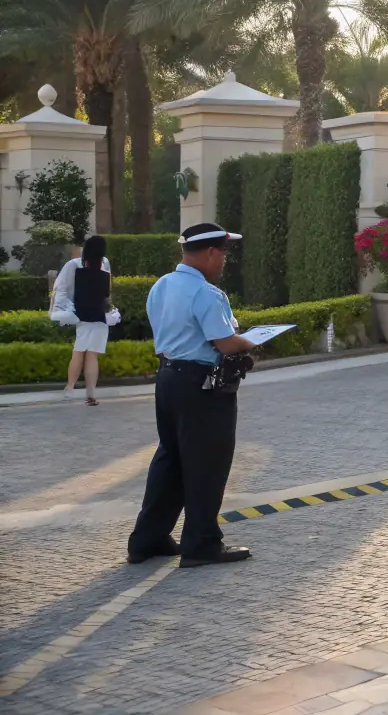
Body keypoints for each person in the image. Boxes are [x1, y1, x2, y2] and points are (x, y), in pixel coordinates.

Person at [127, 223, 258, 568]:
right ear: (212, 253)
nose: (226, 260)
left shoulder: (161, 286)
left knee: (169, 459)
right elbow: (226, 342)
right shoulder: (207, 294)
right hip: (202, 386)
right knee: (207, 462)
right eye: (225, 253)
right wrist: (253, 340)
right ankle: (201, 544)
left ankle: (147, 539)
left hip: (168, 379)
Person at [50, 235, 119, 406]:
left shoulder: (74, 265)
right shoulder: (105, 264)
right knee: (92, 356)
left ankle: (70, 388)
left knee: (78, 352)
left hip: (81, 314)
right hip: (101, 315)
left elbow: (61, 289)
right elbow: (107, 292)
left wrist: (65, 310)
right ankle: (90, 394)